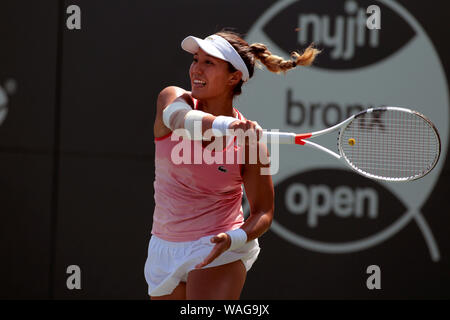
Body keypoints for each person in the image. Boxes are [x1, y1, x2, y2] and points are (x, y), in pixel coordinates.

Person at [145, 29, 319, 300]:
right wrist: (228, 125)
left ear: (234, 76)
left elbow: (263, 212)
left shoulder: (251, 143)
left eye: (208, 62)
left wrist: (234, 239)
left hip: (219, 247)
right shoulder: (173, 98)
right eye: (195, 60)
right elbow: (180, 120)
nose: (196, 70)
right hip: (163, 248)